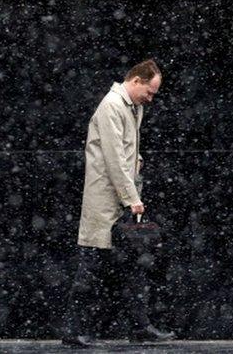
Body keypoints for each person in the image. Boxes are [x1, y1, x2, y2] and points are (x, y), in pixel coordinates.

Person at [61, 60, 175, 347]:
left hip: (119, 197)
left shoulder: (130, 107)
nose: (150, 98)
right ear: (136, 80)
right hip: (105, 199)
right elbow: (113, 159)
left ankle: (139, 326)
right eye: (149, 92)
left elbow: (124, 151)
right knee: (91, 263)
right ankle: (74, 330)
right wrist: (132, 198)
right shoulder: (112, 106)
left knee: (131, 265)